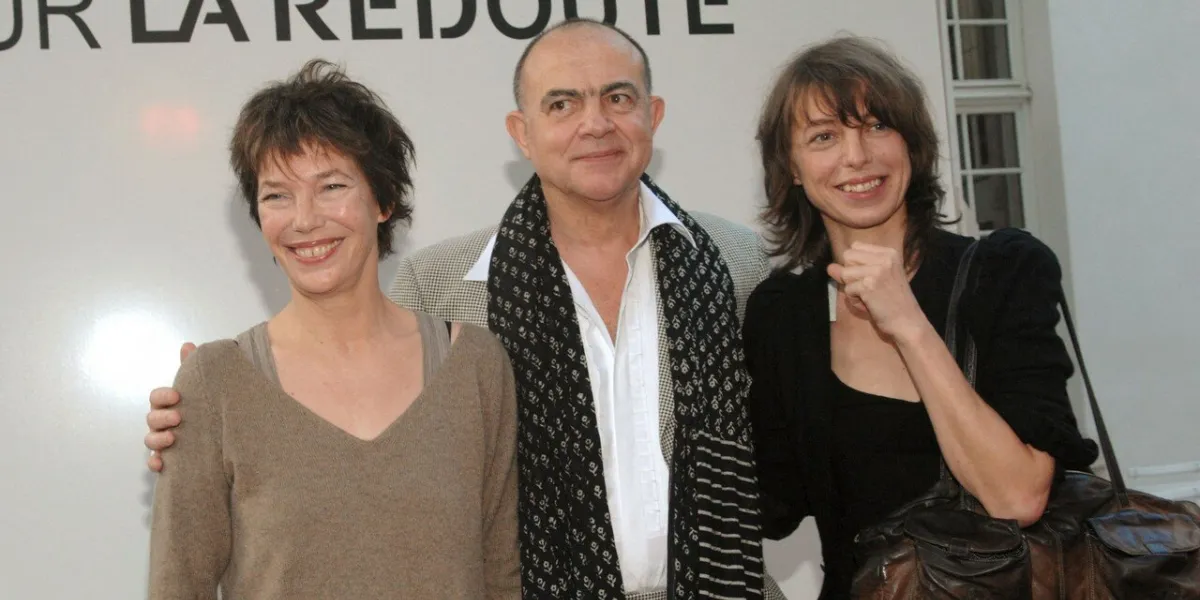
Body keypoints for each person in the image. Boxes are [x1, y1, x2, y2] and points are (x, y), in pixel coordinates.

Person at [144, 19, 785, 600]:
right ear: (522, 133)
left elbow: (797, 440)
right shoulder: (443, 285)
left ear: (653, 114)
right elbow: (352, 405)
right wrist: (203, 410)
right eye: (561, 103)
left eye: (618, 98)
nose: (595, 124)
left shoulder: (738, 265)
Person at [146, 59, 521, 599]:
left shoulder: (476, 366)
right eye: (277, 195)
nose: (304, 219)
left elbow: (503, 576)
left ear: (383, 200)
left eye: (332, 186)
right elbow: (178, 587)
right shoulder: (215, 382)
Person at [743, 36, 1100, 599]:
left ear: (912, 143)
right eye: (824, 136)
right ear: (792, 167)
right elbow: (773, 508)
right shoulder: (782, 313)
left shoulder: (1001, 273)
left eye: (877, 126)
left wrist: (908, 324)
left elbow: (1018, 496)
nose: (856, 156)